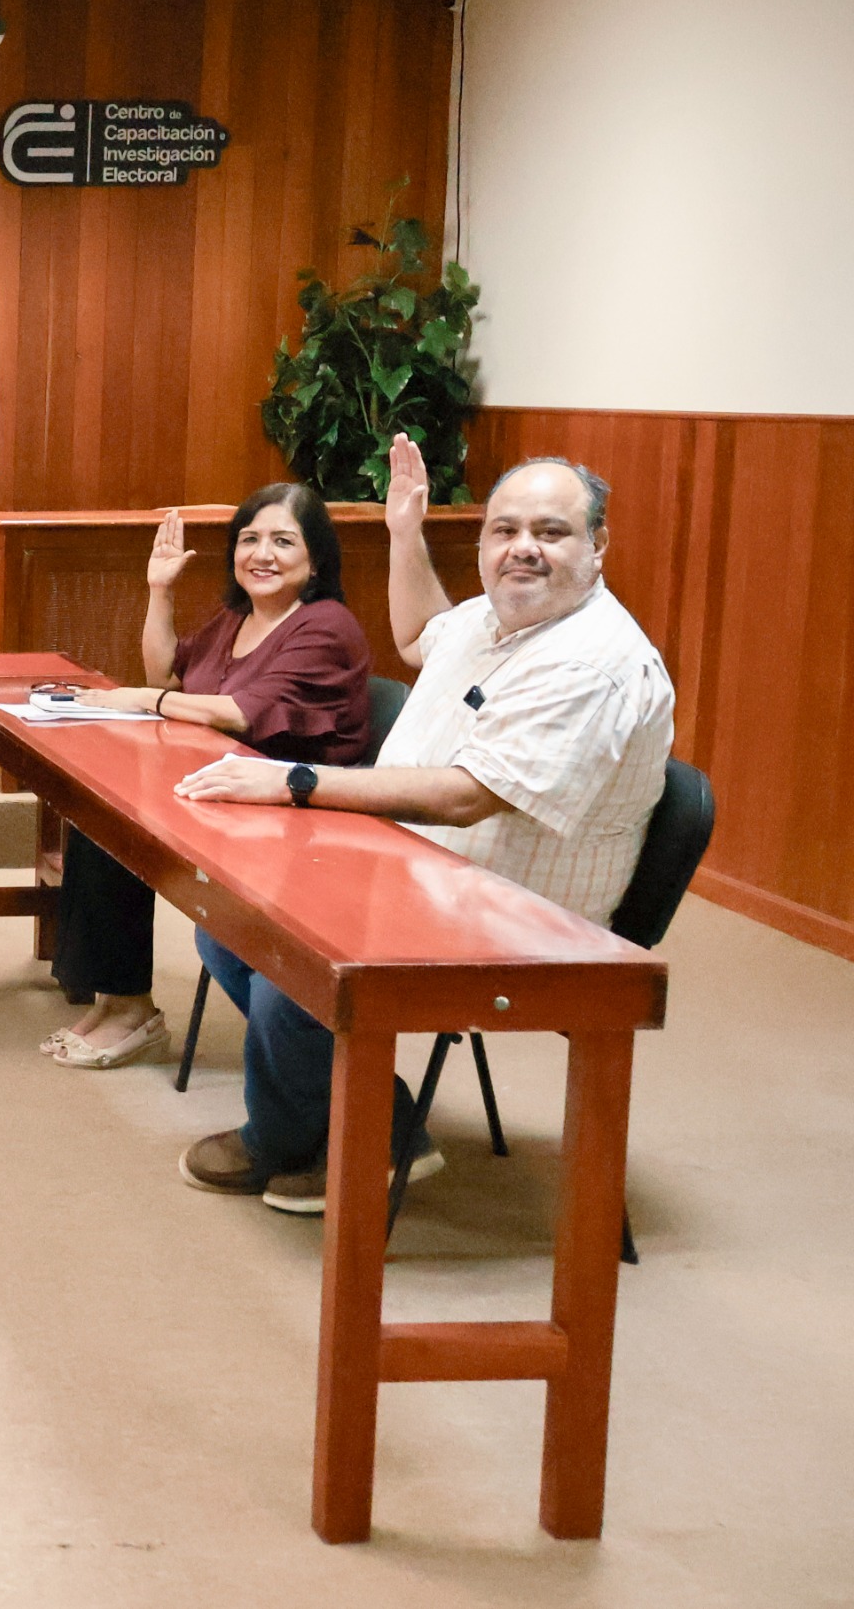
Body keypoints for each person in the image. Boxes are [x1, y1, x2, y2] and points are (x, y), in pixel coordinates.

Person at [170, 436, 675, 1213]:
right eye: (505, 530)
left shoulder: (590, 661)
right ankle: (384, 1124)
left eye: (551, 532)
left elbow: (470, 797)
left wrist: (296, 780)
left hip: (515, 914)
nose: (524, 549)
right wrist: (405, 534)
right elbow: (418, 637)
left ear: (597, 545)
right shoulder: (495, 617)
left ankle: (292, 1137)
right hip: (419, 867)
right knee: (233, 923)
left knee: (293, 964)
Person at [42, 487, 371, 1068]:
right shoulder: (236, 618)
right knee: (102, 812)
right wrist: (160, 591)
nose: (261, 554)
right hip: (224, 789)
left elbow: (240, 712)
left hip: (294, 811)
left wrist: (144, 699)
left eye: (282, 541)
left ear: (316, 559)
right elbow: (166, 673)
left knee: (122, 822)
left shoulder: (326, 625)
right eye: (249, 540)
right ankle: (118, 1001)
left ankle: (127, 1009)